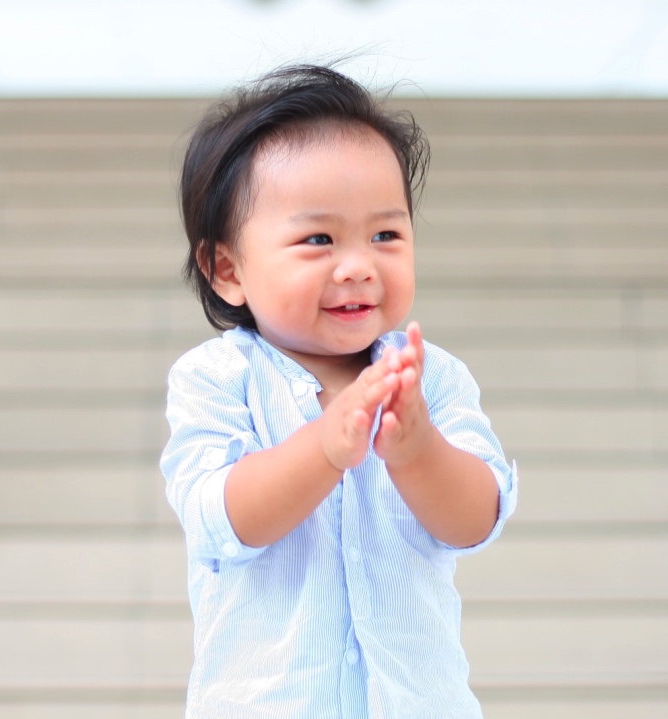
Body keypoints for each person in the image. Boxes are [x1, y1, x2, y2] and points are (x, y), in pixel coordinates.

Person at [160, 64, 518, 718]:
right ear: (228, 269)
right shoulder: (216, 381)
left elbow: (475, 518)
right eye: (318, 238)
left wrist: (415, 449)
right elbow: (223, 516)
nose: (358, 265)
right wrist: (325, 445)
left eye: (385, 234)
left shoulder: (428, 377)